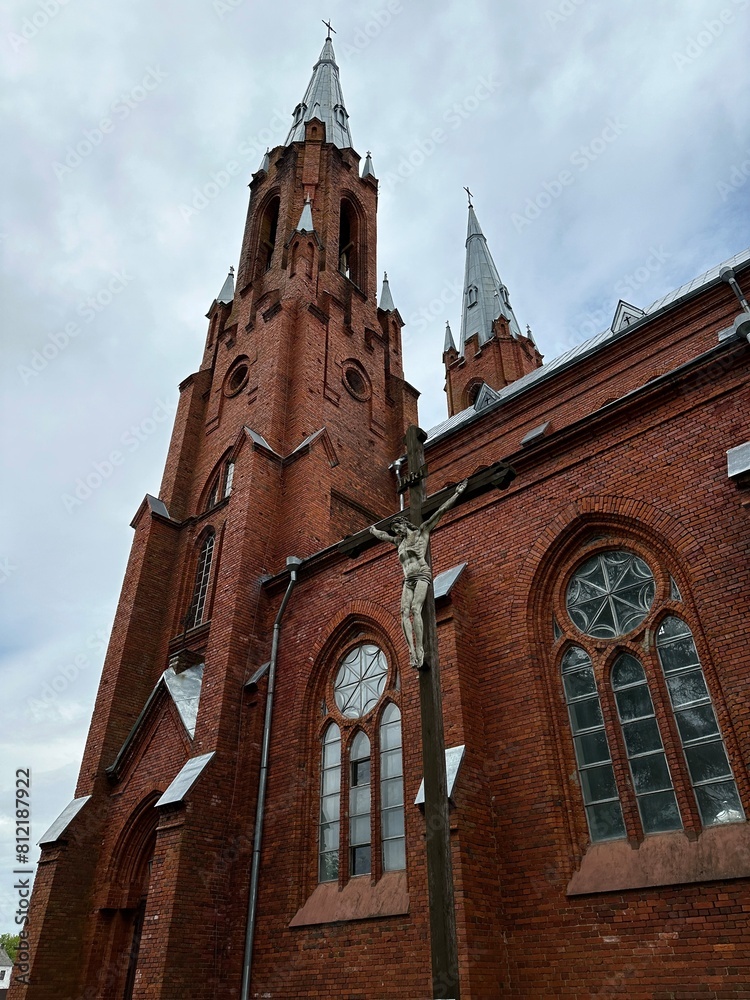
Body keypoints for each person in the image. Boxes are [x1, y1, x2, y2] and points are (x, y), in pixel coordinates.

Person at [370, 480, 468, 668]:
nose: (396, 532)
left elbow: (441, 511)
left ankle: (421, 649)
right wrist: (374, 531)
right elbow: (383, 536)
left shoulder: (421, 532)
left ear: (404, 524)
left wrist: (457, 493)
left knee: (416, 609)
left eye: (398, 528)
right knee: (403, 613)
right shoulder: (398, 543)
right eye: (394, 530)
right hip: (408, 580)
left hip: (422, 574)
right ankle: (412, 651)